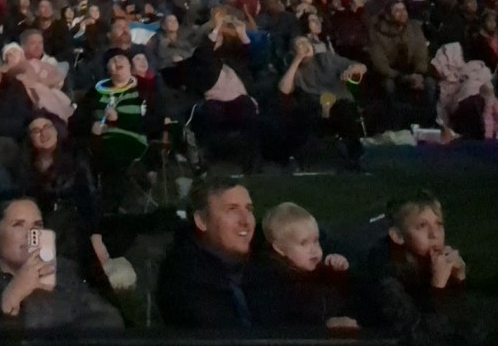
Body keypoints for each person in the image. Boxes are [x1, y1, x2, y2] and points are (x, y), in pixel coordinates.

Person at [0, 196, 124, 329]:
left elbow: (108, 319)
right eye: (18, 225)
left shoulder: (62, 270)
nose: (31, 233)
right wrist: (12, 297)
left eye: (37, 225)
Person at [356, 191, 478, 345]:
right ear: (398, 236)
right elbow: (419, 338)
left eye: (439, 225)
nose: (434, 235)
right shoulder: (384, 275)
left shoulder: (433, 262)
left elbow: (466, 327)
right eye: (422, 226)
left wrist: (459, 280)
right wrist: (438, 288)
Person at [15, 112, 110, 279]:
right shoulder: (25, 168)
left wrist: (96, 237)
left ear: (56, 130)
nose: (43, 133)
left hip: (74, 226)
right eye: (36, 131)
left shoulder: (75, 157)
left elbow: (88, 199)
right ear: (29, 139)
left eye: (47, 127)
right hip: (42, 230)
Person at [156, 176, 257, 328]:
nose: (245, 220)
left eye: (249, 209)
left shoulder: (263, 266)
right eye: (232, 209)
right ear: (202, 221)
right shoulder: (185, 280)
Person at [247, 203, 357, 333]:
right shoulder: (272, 284)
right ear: (280, 248)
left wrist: (339, 271)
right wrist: (325, 326)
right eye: (303, 243)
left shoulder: (319, 271)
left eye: (316, 240)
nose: (314, 249)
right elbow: (284, 328)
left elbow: (346, 296)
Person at [276, 35, 367, 170]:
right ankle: (296, 159)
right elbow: (284, 90)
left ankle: (354, 158)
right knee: (299, 114)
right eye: (299, 44)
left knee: (345, 111)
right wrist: (297, 60)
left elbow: (361, 66)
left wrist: (353, 71)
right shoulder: (296, 69)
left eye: (305, 42)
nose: (303, 46)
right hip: (314, 105)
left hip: (339, 102)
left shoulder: (326, 58)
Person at [368, 1, 437, 129]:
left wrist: (418, 73)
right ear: (389, 15)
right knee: (388, 86)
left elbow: (421, 53)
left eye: (403, 9)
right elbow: (380, 63)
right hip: (391, 74)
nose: (402, 13)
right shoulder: (377, 33)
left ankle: (428, 123)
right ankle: (395, 125)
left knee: (430, 84)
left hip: (412, 71)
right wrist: (401, 77)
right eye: (397, 11)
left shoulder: (414, 28)